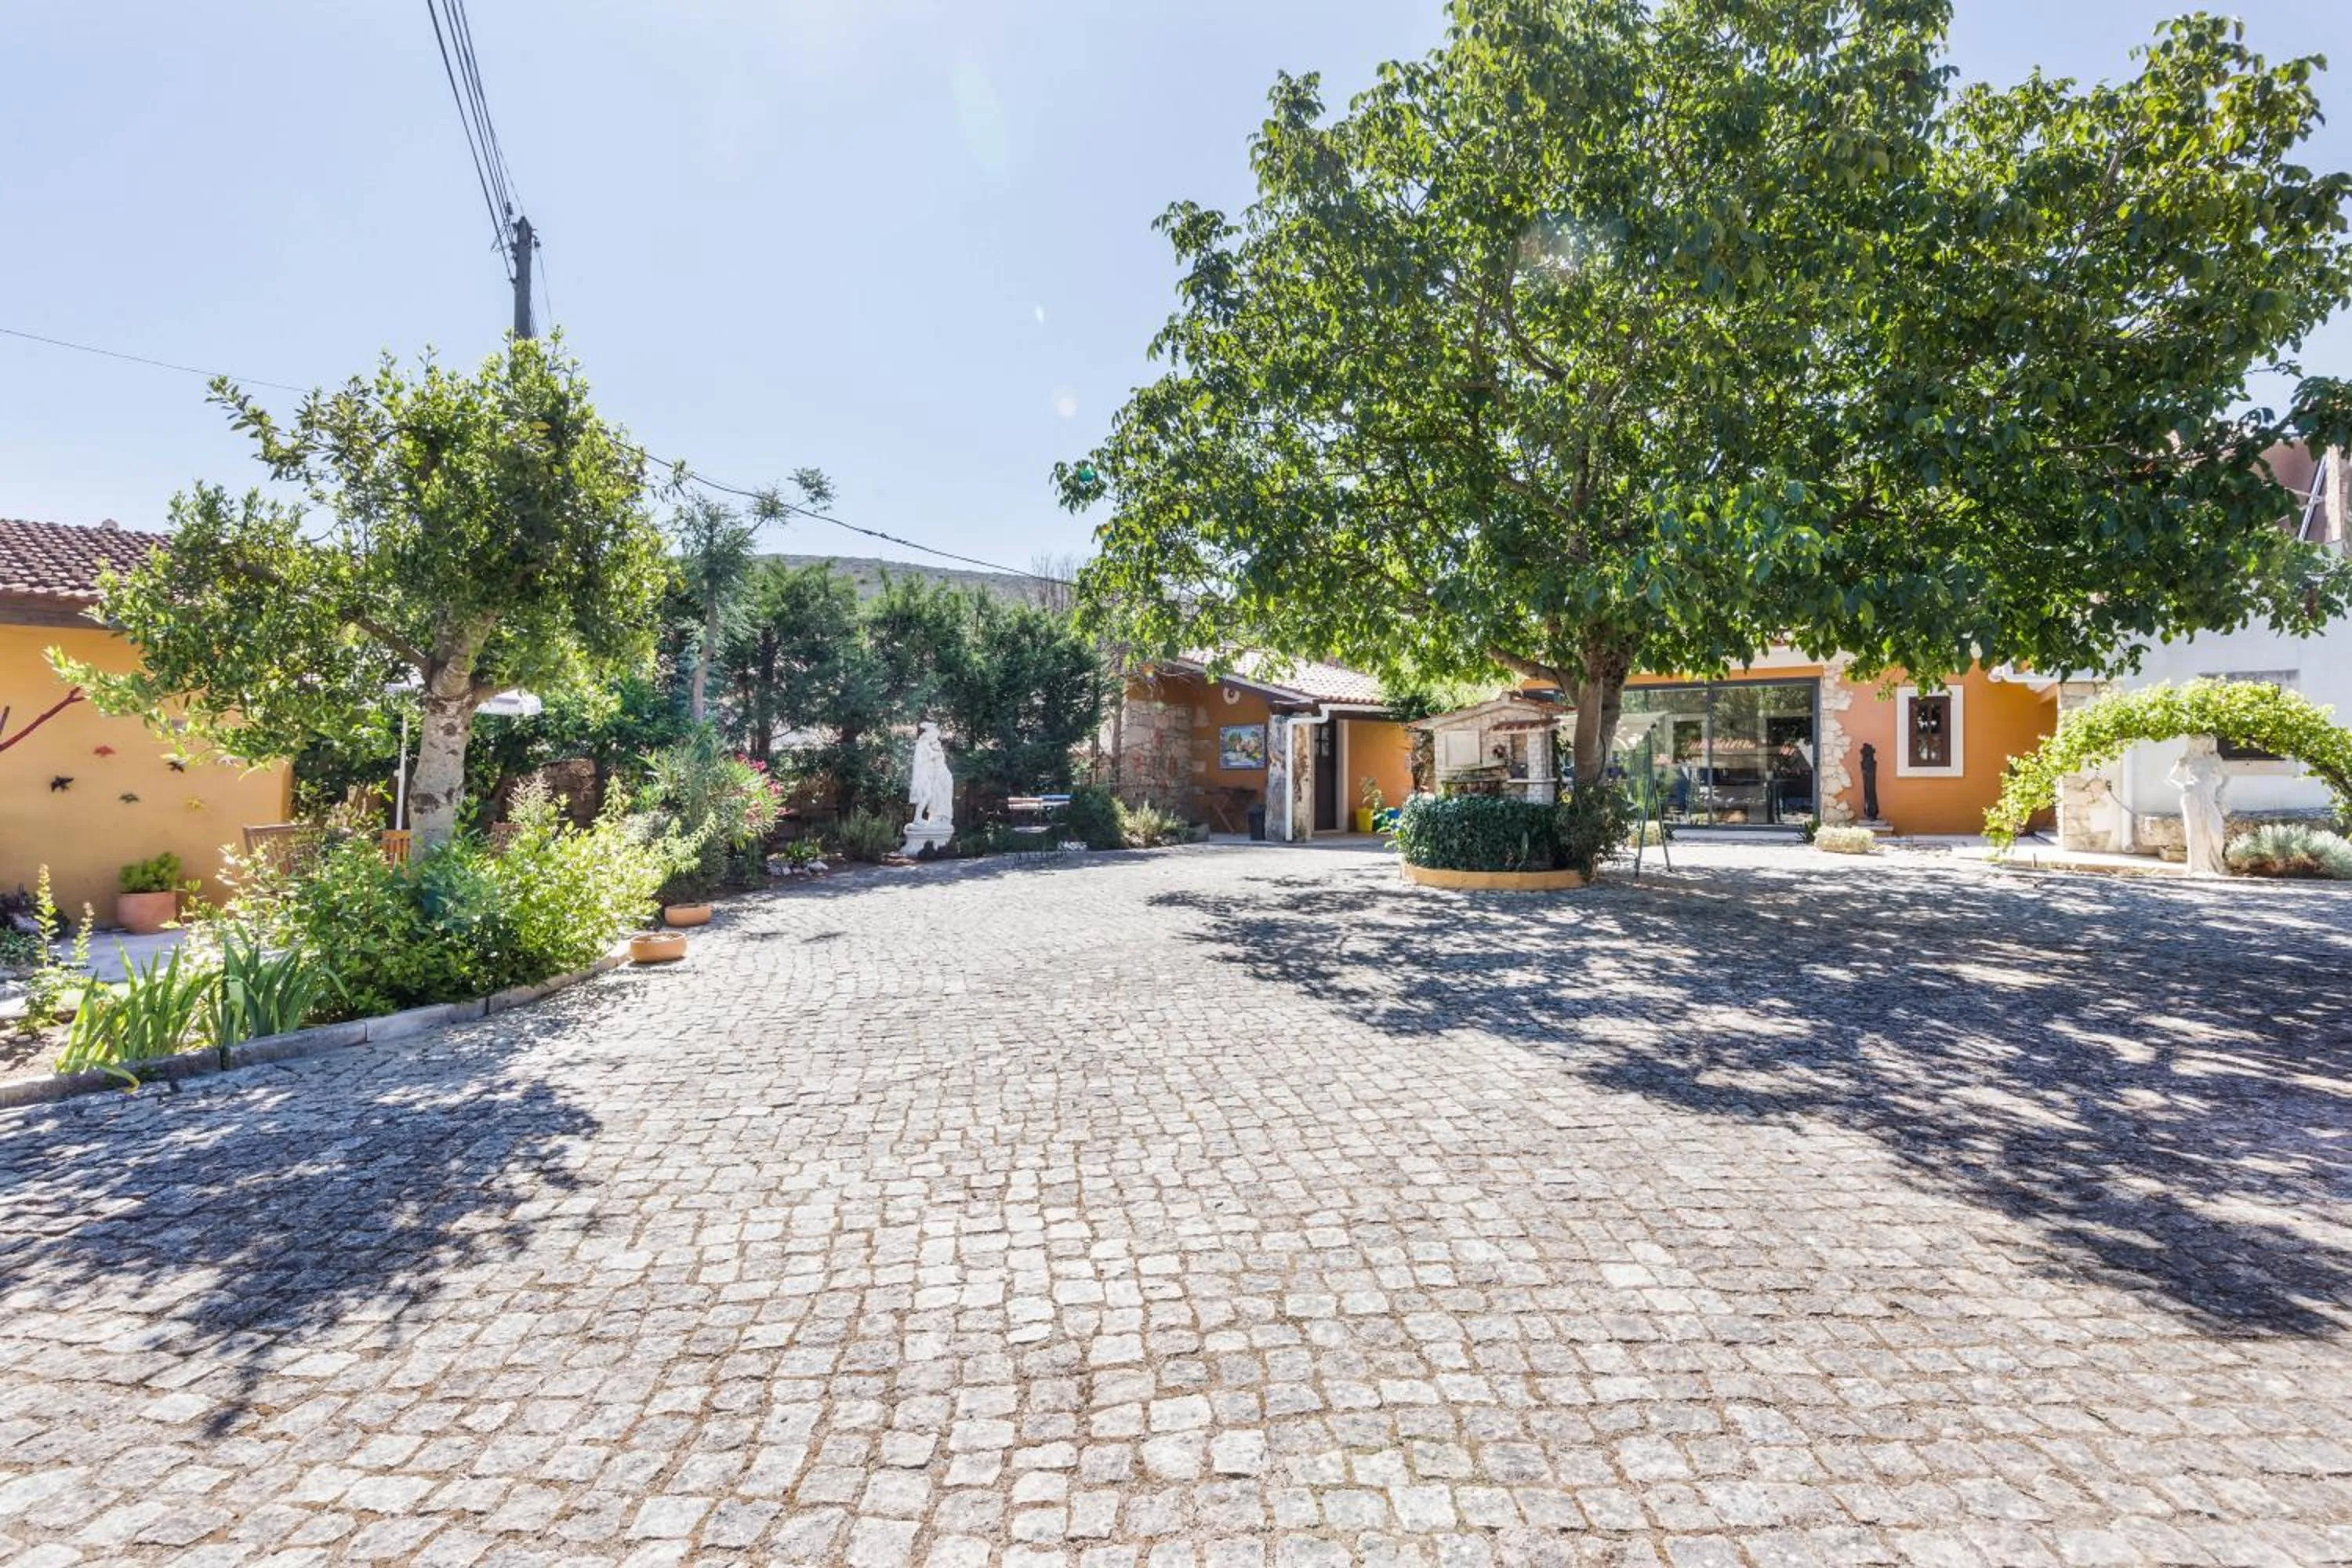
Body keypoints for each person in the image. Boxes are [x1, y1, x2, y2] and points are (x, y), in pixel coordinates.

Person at [2168, 735, 2228, 876]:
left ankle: (2216, 863)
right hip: (2191, 797)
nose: (2203, 744)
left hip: (2209, 797)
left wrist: (2220, 790)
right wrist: (2183, 786)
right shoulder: (2186, 759)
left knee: (2215, 830)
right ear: (2193, 743)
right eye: (2199, 741)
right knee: (2195, 832)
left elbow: (2226, 776)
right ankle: (2196, 867)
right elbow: (2171, 778)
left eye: (2206, 741)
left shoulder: (2214, 758)